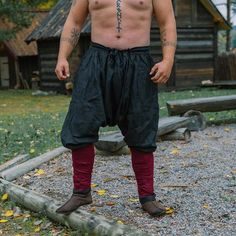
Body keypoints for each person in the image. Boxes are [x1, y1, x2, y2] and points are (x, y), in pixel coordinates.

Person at [55, 0, 177, 217]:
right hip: (97, 61)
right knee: (82, 120)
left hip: (138, 63)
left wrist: (168, 60)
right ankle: (81, 191)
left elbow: (167, 22)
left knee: (141, 126)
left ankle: (147, 196)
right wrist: (62, 56)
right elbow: (74, 21)